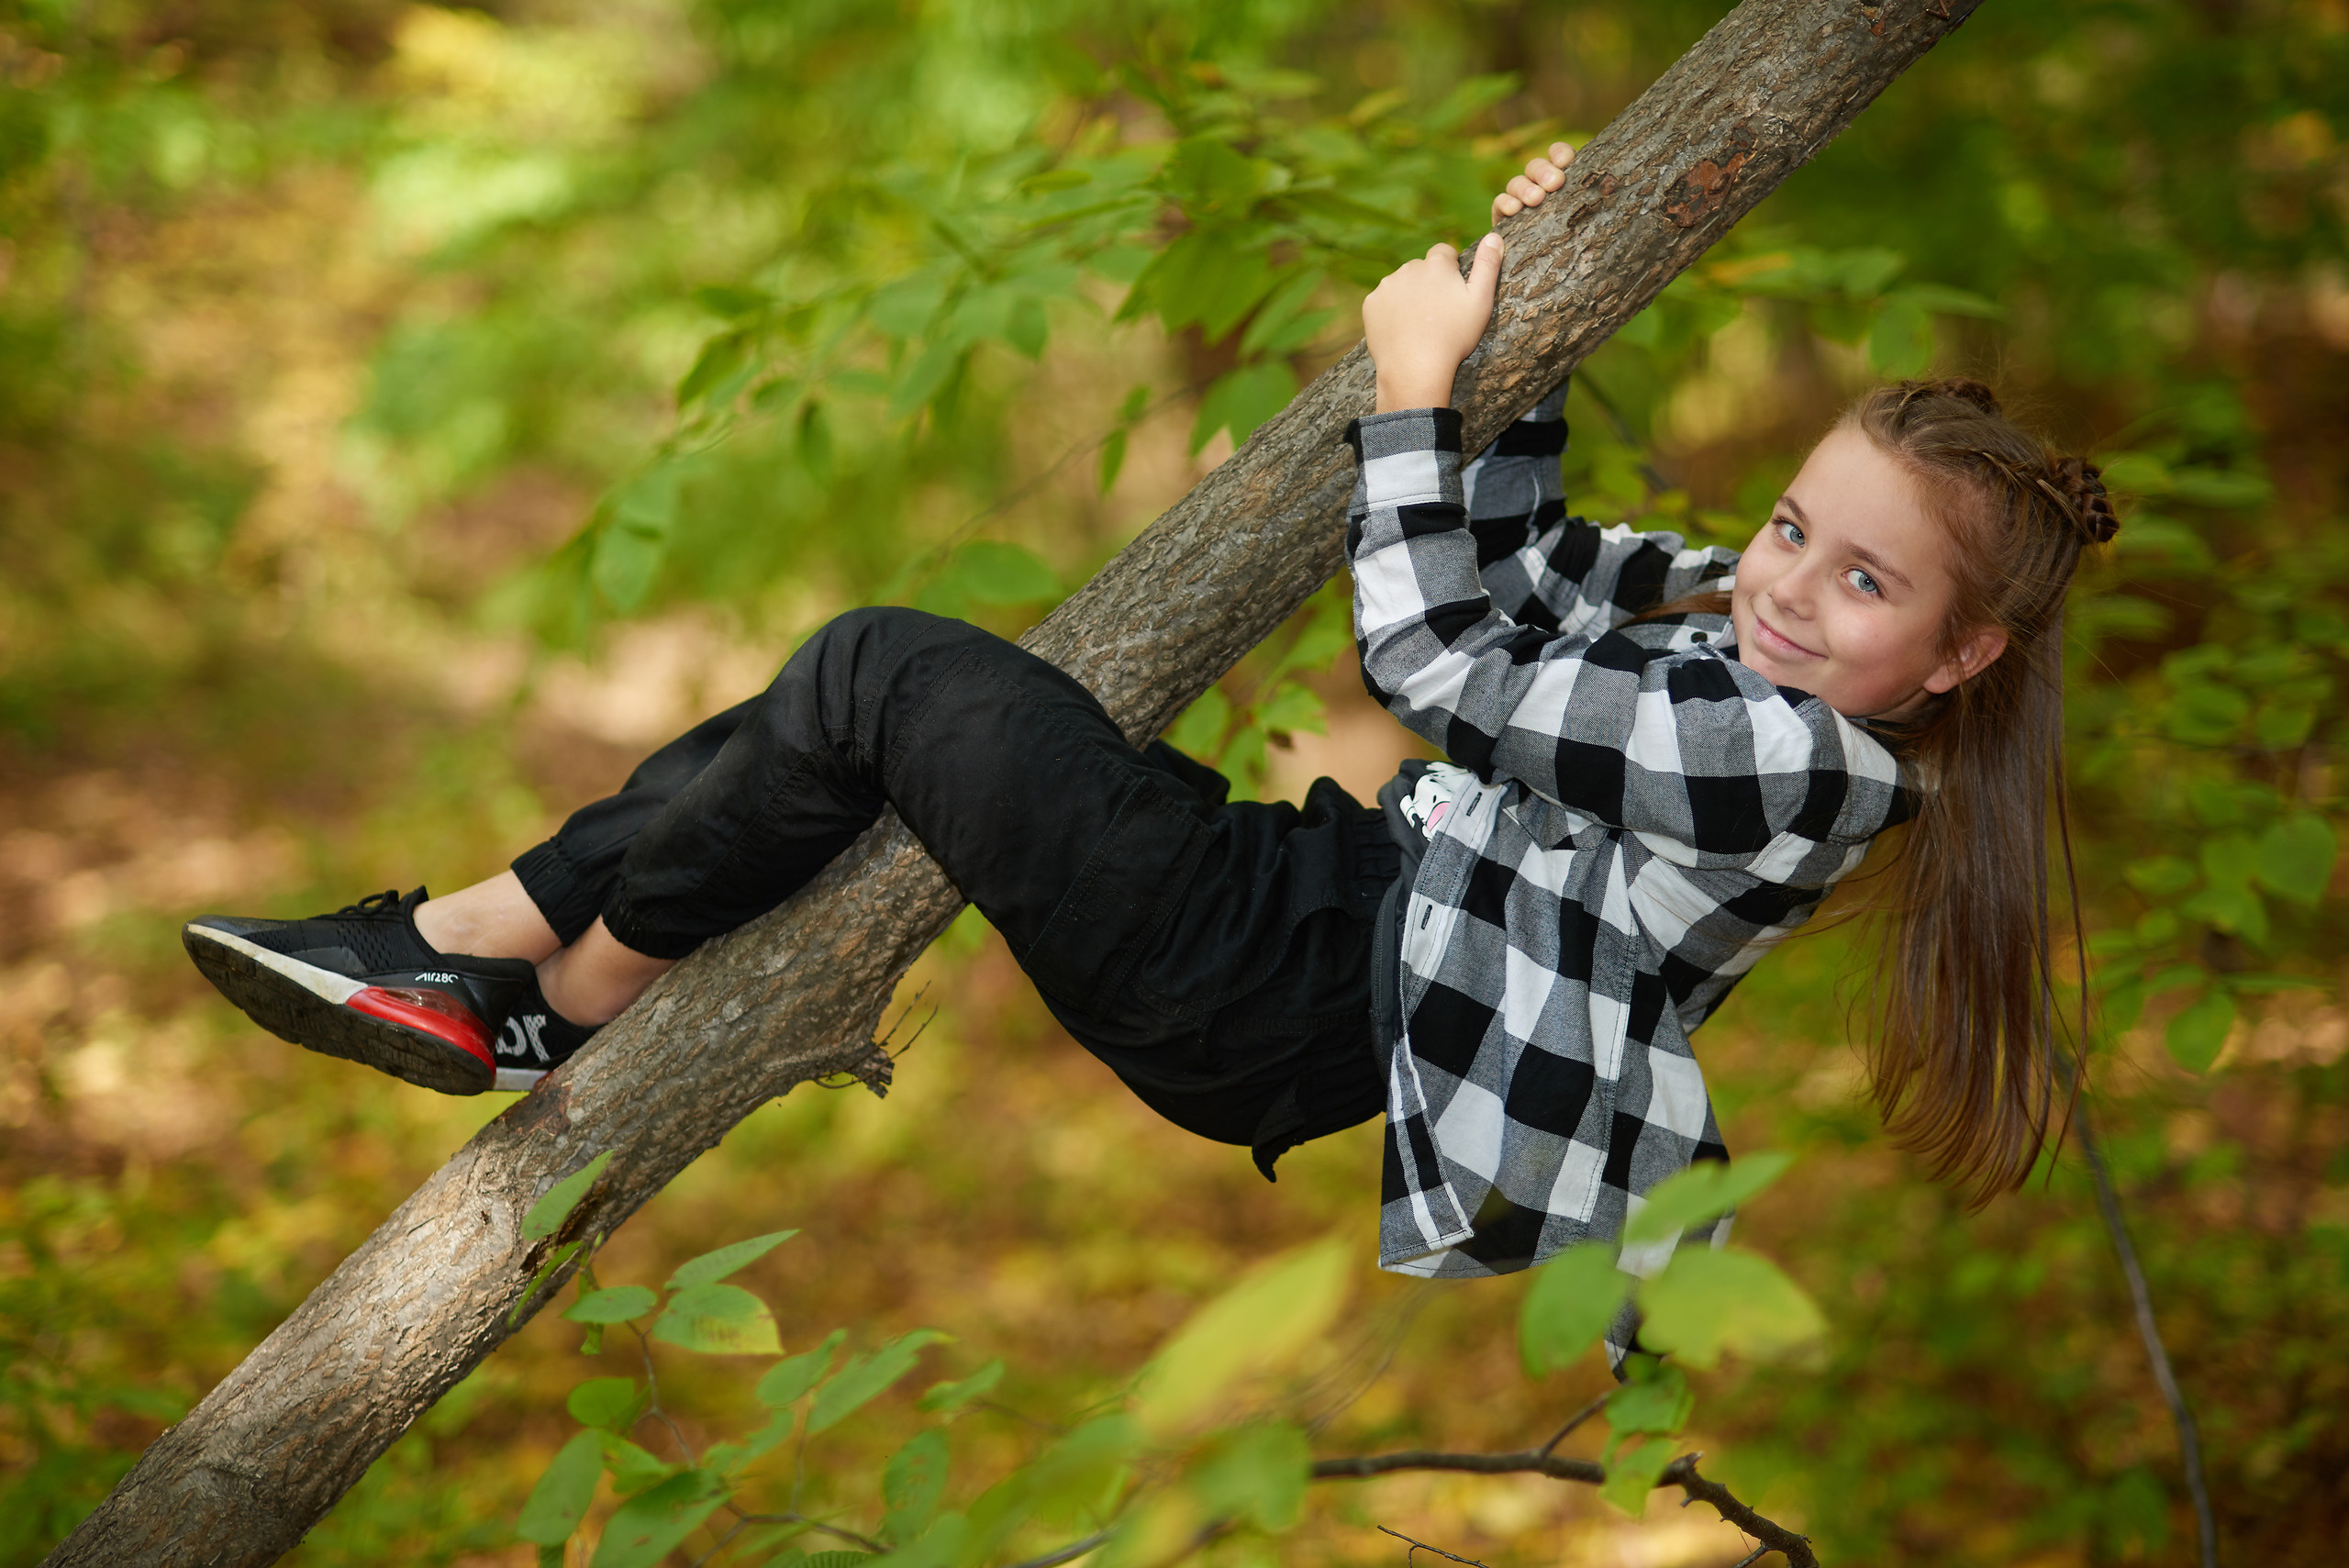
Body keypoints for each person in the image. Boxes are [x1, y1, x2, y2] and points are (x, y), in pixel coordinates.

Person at [184, 145, 2117, 1301]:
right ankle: (480, 964)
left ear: (1953, 662)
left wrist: (1401, 392)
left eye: (1860, 582)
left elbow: (1439, 661)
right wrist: (1545, 290)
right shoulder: (1741, 633)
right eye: (1792, 524)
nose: (1782, 582)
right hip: (1293, 901)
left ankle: (533, 986)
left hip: (1288, 989)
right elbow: (1524, 563)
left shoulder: (1802, 765)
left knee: (878, 671)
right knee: (820, 723)